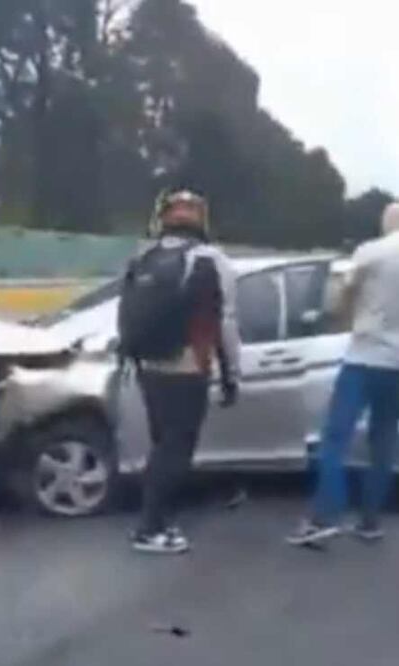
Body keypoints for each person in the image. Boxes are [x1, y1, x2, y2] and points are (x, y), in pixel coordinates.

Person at [286, 202, 399, 546]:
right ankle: (370, 521)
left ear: (386, 223)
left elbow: (343, 300)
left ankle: (325, 514)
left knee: (335, 437)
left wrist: (339, 317)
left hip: (364, 357)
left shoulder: (370, 253)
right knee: (384, 441)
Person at [118, 189, 241, 555]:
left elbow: (126, 315)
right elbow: (226, 323)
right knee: (176, 448)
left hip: (147, 365)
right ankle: (150, 527)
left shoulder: (143, 257)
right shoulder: (212, 259)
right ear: (202, 220)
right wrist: (231, 374)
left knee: (162, 445)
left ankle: (157, 517)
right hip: (187, 364)